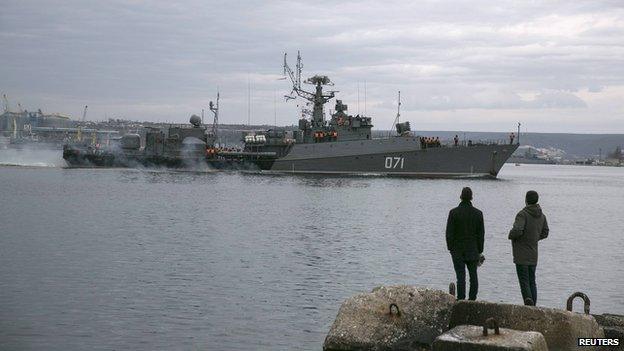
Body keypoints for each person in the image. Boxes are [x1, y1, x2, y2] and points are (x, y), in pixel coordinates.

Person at [508, 190, 549, 306]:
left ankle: (528, 302)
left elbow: (517, 230)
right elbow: (545, 232)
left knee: (524, 281)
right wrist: (534, 238)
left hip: (521, 254)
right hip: (533, 254)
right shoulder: (542, 216)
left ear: (526, 200)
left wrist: (510, 235)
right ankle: (533, 305)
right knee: (532, 282)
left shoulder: (522, 214)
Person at [446, 187, 485, 300]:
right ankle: (472, 299)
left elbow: (449, 233)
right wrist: (480, 250)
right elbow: (481, 234)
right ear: (471, 197)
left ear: (461, 197)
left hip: (457, 250)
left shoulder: (453, 213)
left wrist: (450, 248)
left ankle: (461, 299)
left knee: (460, 277)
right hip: (473, 249)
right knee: (473, 276)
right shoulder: (478, 214)